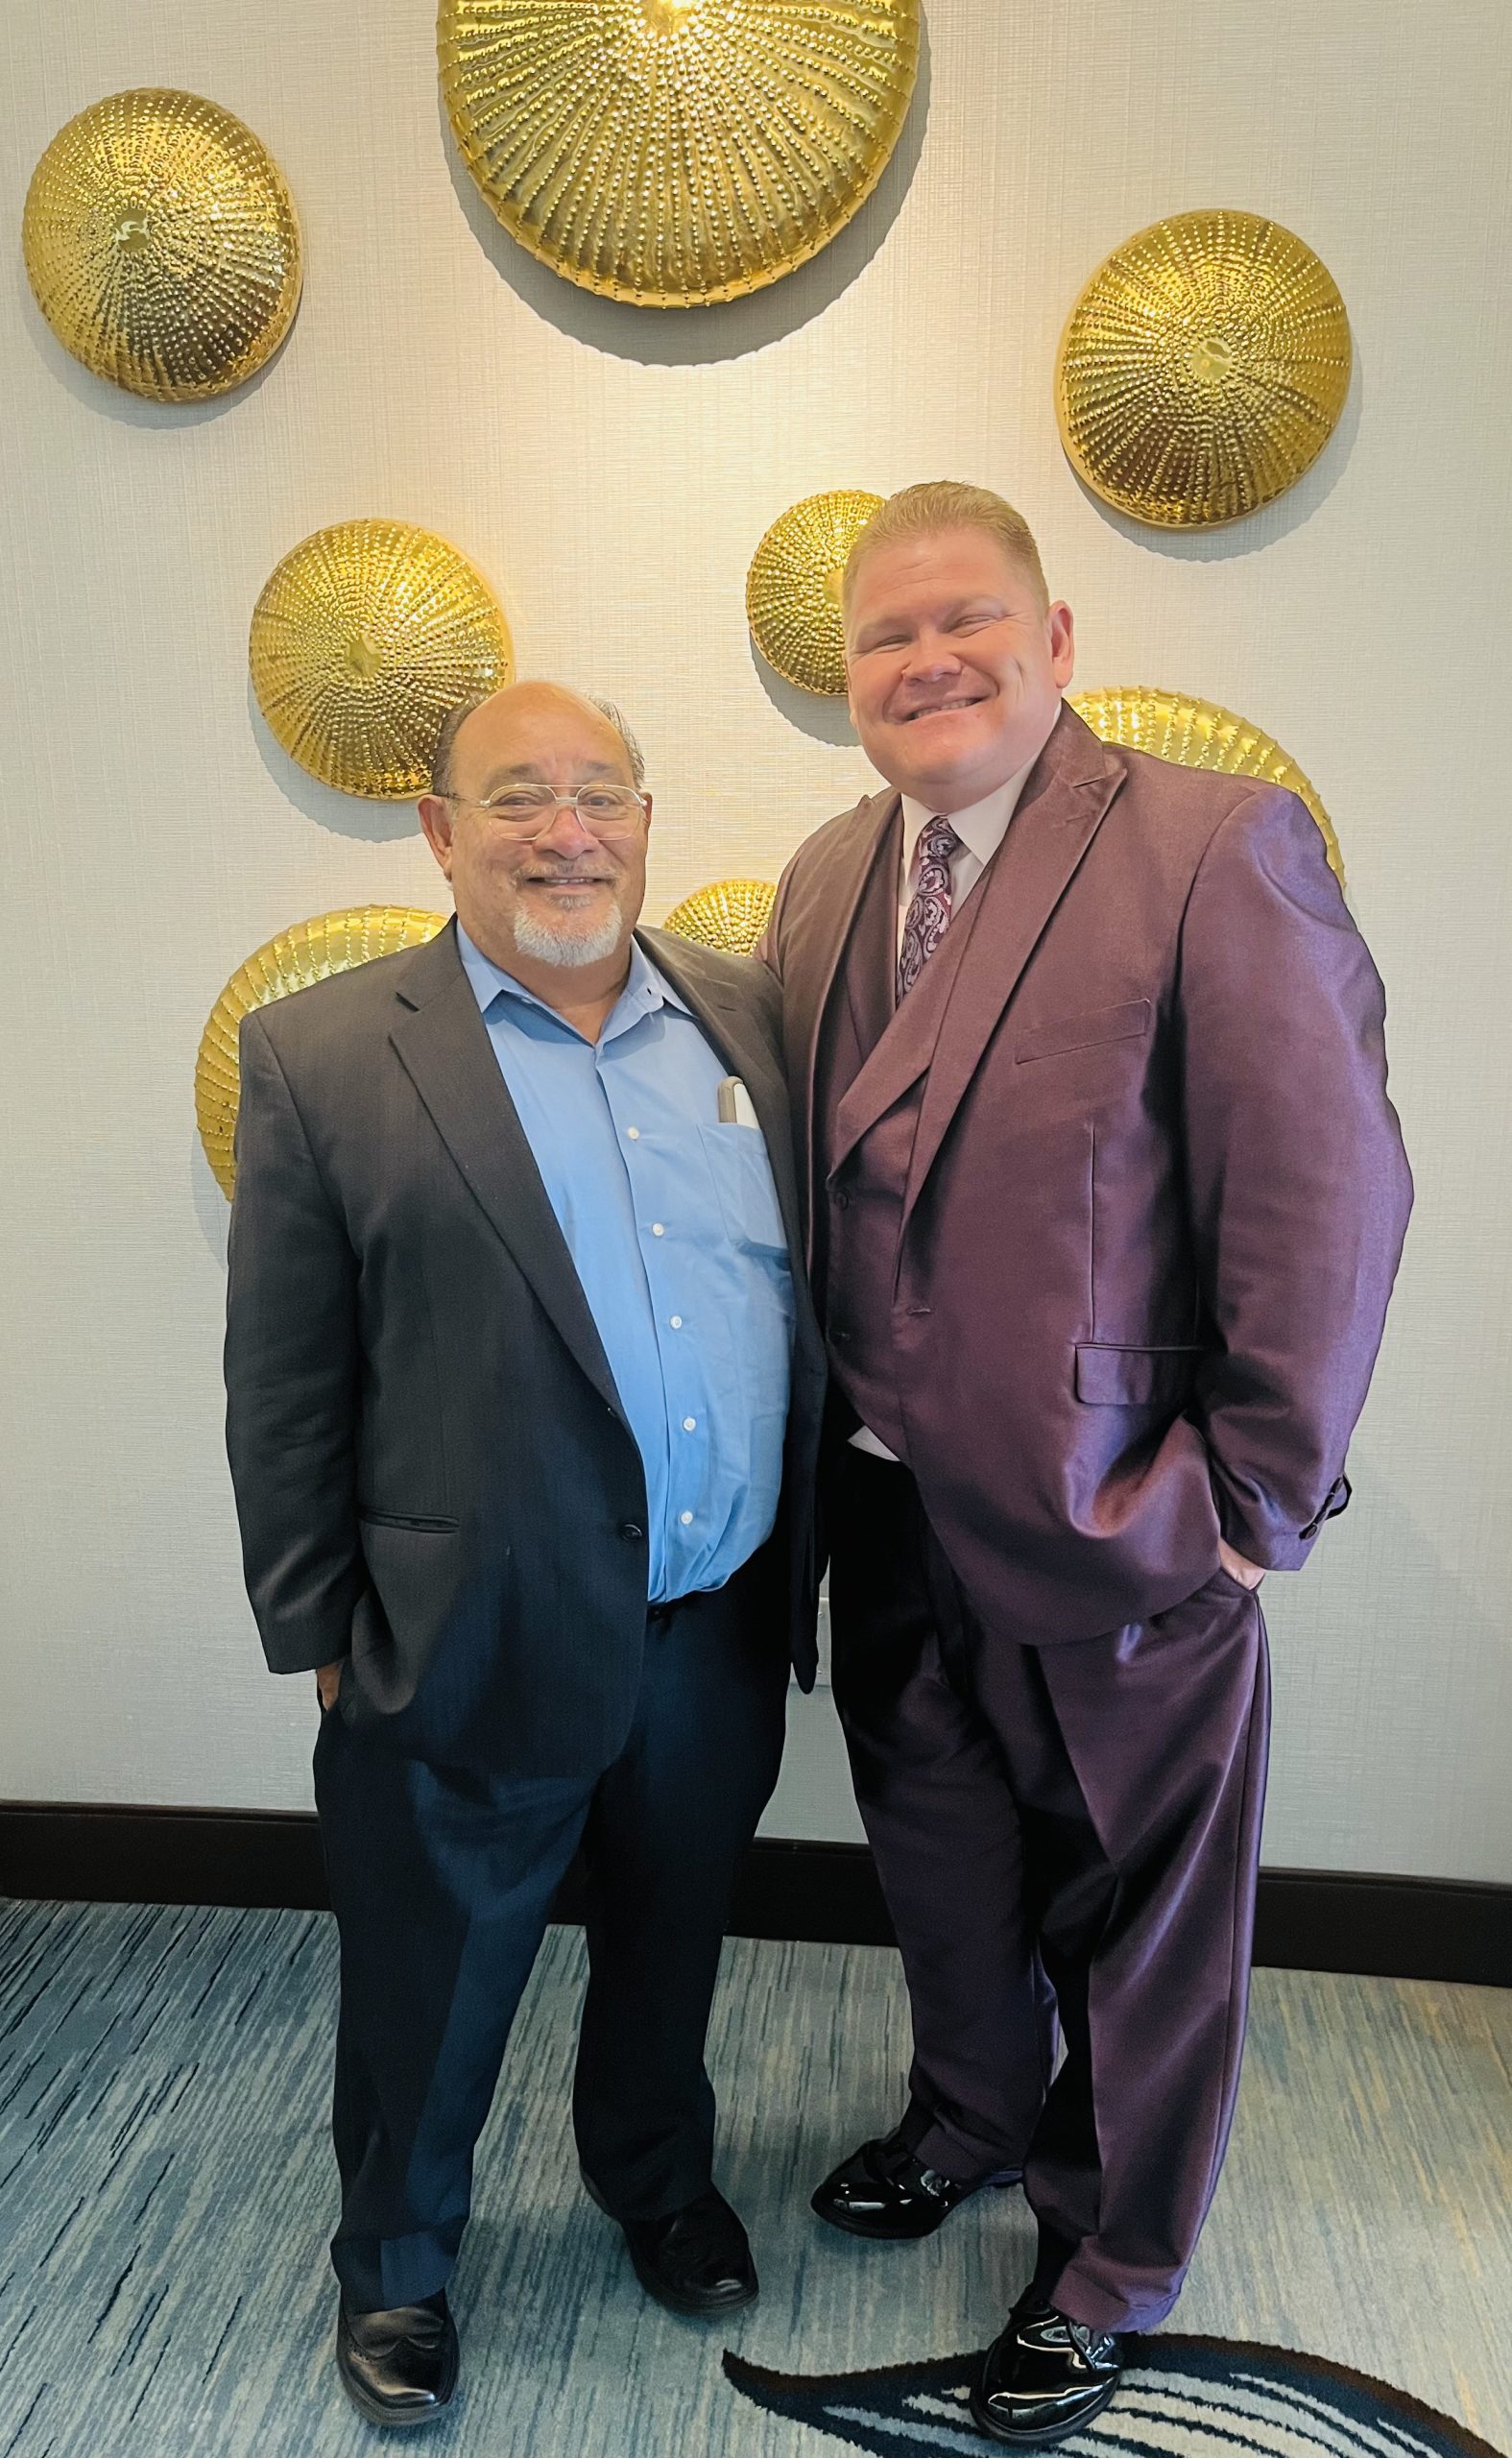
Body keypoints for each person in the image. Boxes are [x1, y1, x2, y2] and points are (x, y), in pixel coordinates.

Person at [761, 483, 1412, 2444]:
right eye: (884, 635)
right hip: (881, 1499)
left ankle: (1108, 2259)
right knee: (939, 1852)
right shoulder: (820, 875)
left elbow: (1323, 1191)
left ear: (1054, 641)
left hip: (1127, 1508)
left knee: (1139, 1912)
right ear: (847, 678)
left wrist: (1250, 1508)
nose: (926, 659)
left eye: (965, 618)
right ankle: (968, 2111)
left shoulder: (1212, 843)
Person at [225, 681, 825, 2430]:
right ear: (438, 831)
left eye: (600, 793)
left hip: (712, 1622)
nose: (567, 832)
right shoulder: (327, 1053)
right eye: (516, 798)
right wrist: (319, 1627)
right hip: (460, 1624)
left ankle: (655, 2174)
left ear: (644, 818)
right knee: (431, 1973)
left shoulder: (752, 1021)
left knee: (675, 1938)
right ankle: (398, 2261)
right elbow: (284, 1374)